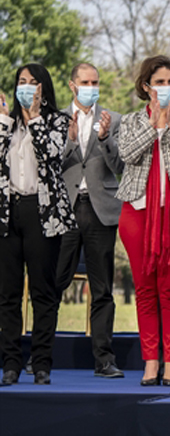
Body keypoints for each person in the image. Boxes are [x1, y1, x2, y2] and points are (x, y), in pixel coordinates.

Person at [116, 55, 170, 386]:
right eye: (159, 82)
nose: (165, 88)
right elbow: (127, 154)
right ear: (146, 87)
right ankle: (151, 360)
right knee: (145, 289)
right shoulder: (132, 121)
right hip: (137, 213)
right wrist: (154, 126)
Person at [0, 64, 77, 386]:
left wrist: (34, 120)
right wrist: (5, 121)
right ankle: (10, 363)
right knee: (8, 294)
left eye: (33, 83)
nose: (27, 87)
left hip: (42, 213)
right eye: (21, 82)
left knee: (44, 293)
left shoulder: (59, 122)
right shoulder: (6, 125)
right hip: (8, 212)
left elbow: (51, 155)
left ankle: (42, 362)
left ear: (44, 88)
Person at [57, 62, 125, 379]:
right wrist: (69, 140)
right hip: (65, 209)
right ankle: (41, 356)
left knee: (102, 289)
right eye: (85, 82)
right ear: (73, 85)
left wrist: (105, 138)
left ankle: (104, 359)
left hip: (101, 210)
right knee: (52, 285)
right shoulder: (57, 120)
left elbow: (120, 165)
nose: (91, 87)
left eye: (95, 82)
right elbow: (49, 165)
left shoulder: (114, 120)